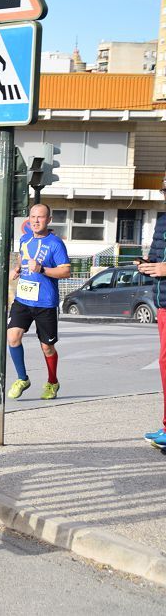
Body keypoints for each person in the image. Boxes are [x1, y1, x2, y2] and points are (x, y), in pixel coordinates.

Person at [7, 203, 71, 401]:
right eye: (33, 216)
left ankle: (52, 382)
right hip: (23, 299)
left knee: (47, 347)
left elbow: (66, 271)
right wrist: (17, 269)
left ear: (48, 220)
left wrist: (42, 269)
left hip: (45, 303)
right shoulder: (25, 238)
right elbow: (22, 258)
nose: (36, 220)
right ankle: (22, 378)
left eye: (40, 217)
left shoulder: (55, 243)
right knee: (12, 337)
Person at [138, 177, 166, 447]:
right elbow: (157, 258)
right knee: (164, 365)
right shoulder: (162, 221)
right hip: (163, 302)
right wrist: (146, 265)